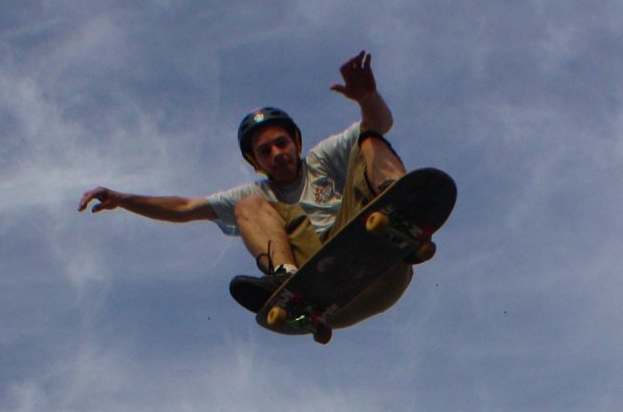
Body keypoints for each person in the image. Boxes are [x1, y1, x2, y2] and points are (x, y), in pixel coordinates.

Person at [78, 52, 413, 327]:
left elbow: (379, 123)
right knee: (248, 205)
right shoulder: (259, 193)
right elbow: (183, 208)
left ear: (296, 143)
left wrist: (368, 98)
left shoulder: (322, 159)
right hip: (327, 294)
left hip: (380, 261)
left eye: (282, 144)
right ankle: (288, 281)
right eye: (265, 152)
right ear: (255, 163)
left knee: (367, 137)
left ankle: (402, 208)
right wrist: (123, 199)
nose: (277, 154)